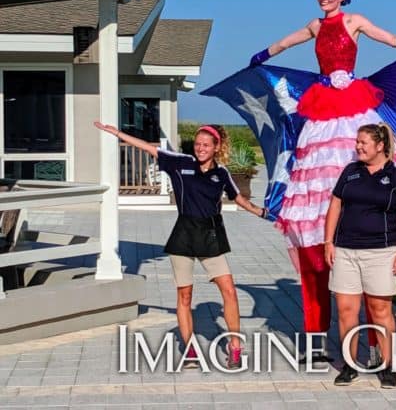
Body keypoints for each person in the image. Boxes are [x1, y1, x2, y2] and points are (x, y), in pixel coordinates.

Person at [249, 0, 396, 364]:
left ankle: (367, 213)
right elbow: (286, 42)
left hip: (351, 97)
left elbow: (392, 40)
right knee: (317, 158)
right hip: (324, 98)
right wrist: (261, 57)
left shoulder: (354, 21)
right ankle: (325, 217)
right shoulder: (314, 25)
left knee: (359, 150)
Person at [93, 121, 267, 369]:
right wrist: (117, 133)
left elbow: (239, 198)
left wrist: (263, 213)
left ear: (216, 147)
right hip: (184, 235)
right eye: (197, 144)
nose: (200, 148)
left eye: (206, 145)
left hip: (211, 235)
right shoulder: (181, 163)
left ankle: (235, 348)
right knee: (184, 296)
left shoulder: (222, 173)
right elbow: (150, 149)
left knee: (228, 290)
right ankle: (190, 350)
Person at [324, 123, 396, 388]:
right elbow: (335, 205)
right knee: (346, 310)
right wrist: (328, 242)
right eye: (357, 142)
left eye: (363, 142)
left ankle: (387, 366)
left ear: (380, 146)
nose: (358, 147)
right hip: (345, 251)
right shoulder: (350, 172)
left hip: (381, 252)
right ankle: (349, 365)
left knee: (380, 310)